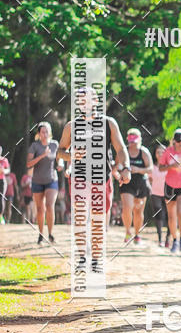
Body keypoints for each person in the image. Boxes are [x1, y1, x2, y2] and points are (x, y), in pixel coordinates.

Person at [57, 88, 131, 267]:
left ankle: (96, 259)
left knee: (98, 218)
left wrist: (126, 168)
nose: (83, 103)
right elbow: (60, 151)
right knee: (81, 217)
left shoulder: (108, 123)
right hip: (79, 177)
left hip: (102, 178)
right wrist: (71, 156)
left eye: (87, 99)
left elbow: (120, 149)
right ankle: (82, 257)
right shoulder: (71, 126)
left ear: (96, 101)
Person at [27, 122, 62, 244]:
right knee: (40, 209)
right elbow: (29, 164)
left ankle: (51, 234)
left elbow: (60, 157)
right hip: (37, 181)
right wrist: (42, 156)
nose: (45, 134)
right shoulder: (34, 146)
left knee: (49, 206)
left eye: (47, 131)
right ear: (39, 134)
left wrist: (61, 165)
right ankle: (41, 234)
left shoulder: (54, 144)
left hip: (52, 180)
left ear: (50, 132)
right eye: (43, 132)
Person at [119, 128, 152, 245]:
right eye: (130, 139)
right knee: (127, 207)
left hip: (141, 183)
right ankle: (128, 231)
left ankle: (137, 234)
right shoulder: (124, 152)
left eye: (135, 139)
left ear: (140, 140)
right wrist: (119, 174)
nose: (132, 142)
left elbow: (150, 169)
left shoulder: (144, 152)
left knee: (138, 211)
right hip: (127, 183)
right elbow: (116, 166)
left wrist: (138, 169)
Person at [150, 144, 169, 247]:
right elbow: (149, 179)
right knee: (159, 215)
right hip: (155, 193)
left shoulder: (169, 166)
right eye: (158, 152)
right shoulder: (152, 167)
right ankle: (160, 238)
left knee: (169, 216)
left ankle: (168, 239)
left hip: (168, 193)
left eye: (162, 152)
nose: (160, 154)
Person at [0, 145, 9, 224]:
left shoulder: (4, 160)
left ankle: (0, 216)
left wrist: (3, 171)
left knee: (1, 198)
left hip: (2, 181)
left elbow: (8, 170)